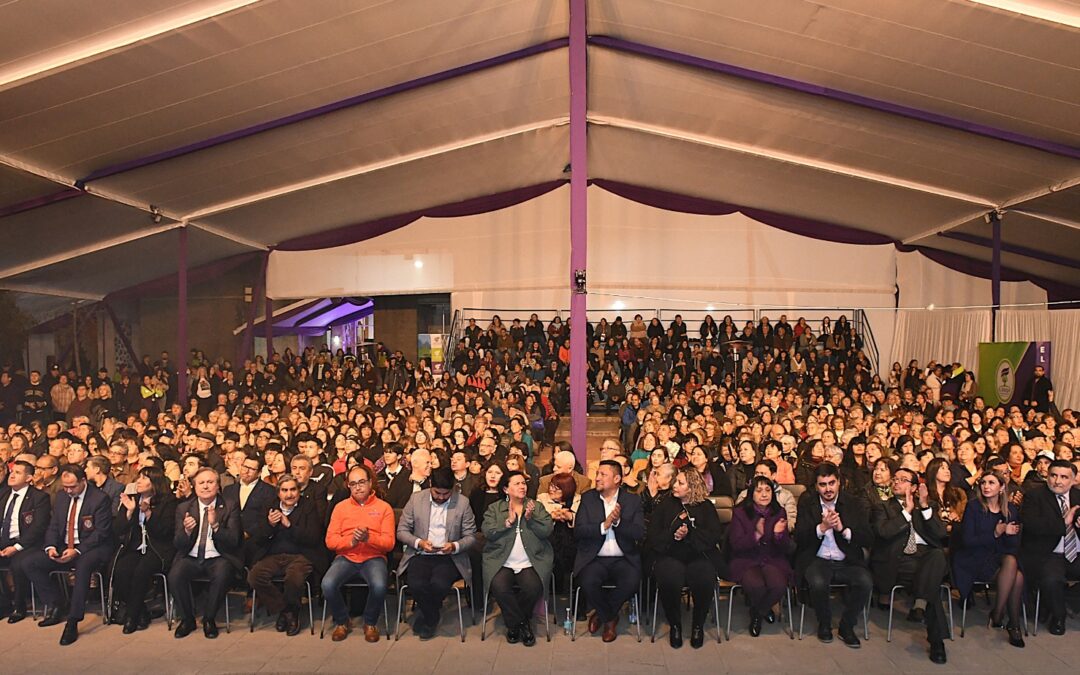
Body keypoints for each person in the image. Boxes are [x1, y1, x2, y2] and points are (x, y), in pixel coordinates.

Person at [23, 464, 114, 645]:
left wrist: (77, 550)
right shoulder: (62, 497)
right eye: (65, 486)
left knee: (83, 566)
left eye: (72, 486)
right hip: (65, 545)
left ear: (82, 481)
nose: (68, 490)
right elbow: (54, 526)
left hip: (92, 547)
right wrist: (50, 546)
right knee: (30, 562)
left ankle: (73, 620)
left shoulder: (99, 499)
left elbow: (101, 533)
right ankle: (56, 603)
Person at [869, 467, 950, 664]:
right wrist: (906, 512)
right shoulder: (882, 507)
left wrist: (923, 507)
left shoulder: (927, 506)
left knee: (937, 554)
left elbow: (941, 535)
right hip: (898, 559)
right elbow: (884, 532)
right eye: (895, 479)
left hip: (925, 557)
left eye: (903, 480)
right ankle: (936, 641)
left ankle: (921, 602)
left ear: (914, 487)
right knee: (931, 584)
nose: (896, 482)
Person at [794, 462, 873, 648]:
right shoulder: (807, 502)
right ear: (816, 486)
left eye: (831, 483)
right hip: (817, 558)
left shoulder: (853, 503)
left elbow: (868, 537)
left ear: (839, 483)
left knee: (865, 582)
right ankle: (825, 623)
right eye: (823, 485)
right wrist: (821, 528)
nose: (828, 489)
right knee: (818, 582)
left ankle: (847, 626)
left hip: (847, 559)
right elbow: (799, 536)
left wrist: (843, 530)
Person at [645, 466, 724, 648]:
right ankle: (675, 625)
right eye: (675, 481)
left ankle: (698, 625)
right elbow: (653, 535)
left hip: (699, 554)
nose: (675, 486)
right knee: (669, 578)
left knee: (705, 578)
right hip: (670, 553)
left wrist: (689, 534)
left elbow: (713, 536)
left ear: (692, 487)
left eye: (680, 483)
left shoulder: (706, 508)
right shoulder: (665, 505)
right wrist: (674, 534)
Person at [396, 466, 477, 639]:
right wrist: (419, 543)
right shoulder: (416, 499)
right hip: (421, 553)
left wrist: (454, 545)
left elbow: (471, 536)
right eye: (437, 493)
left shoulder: (462, 503)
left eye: (445, 494)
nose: (441, 497)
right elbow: (402, 530)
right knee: (416, 584)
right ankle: (432, 616)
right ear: (430, 485)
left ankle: (427, 618)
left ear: (452, 489)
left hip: (449, 557)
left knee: (439, 585)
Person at [573, 459, 645, 642]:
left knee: (631, 582)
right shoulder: (588, 498)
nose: (597, 478)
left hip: (623, 558)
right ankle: (610, 618)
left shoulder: (632, 501)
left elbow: (638, 533)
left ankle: (602, 613)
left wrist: (619, 523)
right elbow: (579, 531)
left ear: (617, 478)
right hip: (595, 558)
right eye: (597, 474)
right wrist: (603, 526)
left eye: (603, 475)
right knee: (587, 581)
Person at [322, 464, 395, 642]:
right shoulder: (340, 507)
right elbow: (330, 542)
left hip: (374, 558)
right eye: (353, 484)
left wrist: (368, 538)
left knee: (379, 585)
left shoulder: (384, 508)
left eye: (361, 482)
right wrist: (352, 542)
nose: (358, 487)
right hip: (346, 557)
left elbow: (389, 544)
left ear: (370, 483)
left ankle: (370, 622)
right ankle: (342, 621)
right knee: (327, 584)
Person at [247, 474, 327, 636]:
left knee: (294, 578)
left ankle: (290, 615)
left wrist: (290, 526)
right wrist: (269, 524)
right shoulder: (270, 506)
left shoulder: (308, 506)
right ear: (278, 493)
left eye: (292, 490)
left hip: (301, 554)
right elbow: (259, 537)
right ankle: (287, 610)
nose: (289, 494)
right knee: (255, 576)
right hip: (273, 555)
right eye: (284, 490)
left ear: (299, 491)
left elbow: (313, 537)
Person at [952, 471, 1024, 647]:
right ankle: (1007, 622)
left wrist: (1007, 534)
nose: (986, 486)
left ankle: (1004, 618)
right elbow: (968, 541)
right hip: (974, 559)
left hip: (1000, 557)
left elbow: (1014, 544)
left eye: (991, 483)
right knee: (1017, 575)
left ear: (1001, 487)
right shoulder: (973, 507)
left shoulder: (1011, 510)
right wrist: (995, 533)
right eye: (983, 482)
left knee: (1013, 565)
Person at [169, 467, 242, 639]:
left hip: (219, 556)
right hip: (191, 556)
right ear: (195, 487)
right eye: (201, 483)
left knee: (223, 572)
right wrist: (186, 531)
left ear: (218, 486)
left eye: (210, 482)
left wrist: (216, 526)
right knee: (175, 575)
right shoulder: (184, 507)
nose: (206, 486)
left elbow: (234, 541)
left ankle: (209, 619)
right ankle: (187, 619)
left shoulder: (230, 506)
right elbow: (178, 543)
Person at [481, 471, 553, 646]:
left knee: (533, 587)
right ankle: (522, 624)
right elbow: (487, 532)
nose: (522, 486)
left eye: (524, 483)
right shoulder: (495, 508)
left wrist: (531, 520)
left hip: (530, 561)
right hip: (501, 560)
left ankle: (514, 625)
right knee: (499, 586)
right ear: (506, 489)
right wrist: (507, 522)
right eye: (517, 484)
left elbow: (547, 530)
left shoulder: (536, 506)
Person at [110, 466, 177, 633]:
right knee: (120, 570)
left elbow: (165, 532)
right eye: (138, 478)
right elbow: (118, 529)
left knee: (141, 571)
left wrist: (149, 514)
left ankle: (132, 617)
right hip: (135, 547)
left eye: (144, 478)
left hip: (158, 549)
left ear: (155, 482)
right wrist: (129, 512)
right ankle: (142, 612)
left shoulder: (168, 501)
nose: (138, 481)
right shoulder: (131, 499)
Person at [728, 475, 794, 637]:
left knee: (778, 586)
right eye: (759, 491)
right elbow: (736, 545)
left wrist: (779, 535)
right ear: (752, 494)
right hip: (747, 559)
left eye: (768, 490)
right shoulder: (740, 513)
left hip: (772, 558)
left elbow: (786, 547)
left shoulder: (779, 512)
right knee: (756, 586)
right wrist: (756, 534)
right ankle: (762, 612)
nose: (764, 494)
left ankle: (757, 613)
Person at [1019, 459, 1080, 635]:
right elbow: (1032, 526)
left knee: (1058, 587)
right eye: (1053, 475)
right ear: (1047, 476)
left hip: (1076, 552)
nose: (1057, 481)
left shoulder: (1078, 496)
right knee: (1052, 580)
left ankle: (1065, 601)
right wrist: (1063, 523)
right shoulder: (1034, 496)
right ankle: (1058, 616)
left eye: (1064, 477)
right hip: (1048, 554)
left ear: (1073, 479)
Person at [0, 460, 51, 622]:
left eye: (18, 472)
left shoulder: (39, 497)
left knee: (18, 562)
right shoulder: (3, 494)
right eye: (12, 471)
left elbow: (38, 528)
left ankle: (19, 606)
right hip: (3, 540)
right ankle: (3, 603)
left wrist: (16, 547)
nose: (12, 475)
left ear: (29, 478)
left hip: (27, 543)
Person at [222, 451, 276, 566]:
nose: (246, 471)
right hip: (231, 539)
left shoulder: (269, 491)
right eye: (245, 467)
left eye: (251, 469)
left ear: (259, 472)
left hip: (256, 541)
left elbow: (266, 518)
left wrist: (248, 533)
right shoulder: (228, 490)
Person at [536, 472, 579, 595]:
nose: (551, 489)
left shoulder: (578, 500)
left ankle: (568, 585)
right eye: (551, 485)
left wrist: (570, 517)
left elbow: (582, 521)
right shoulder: (542, 498)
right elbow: (537, 520)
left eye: (556, 488)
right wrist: (551, 517)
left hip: (572, 539)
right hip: (548, 539)